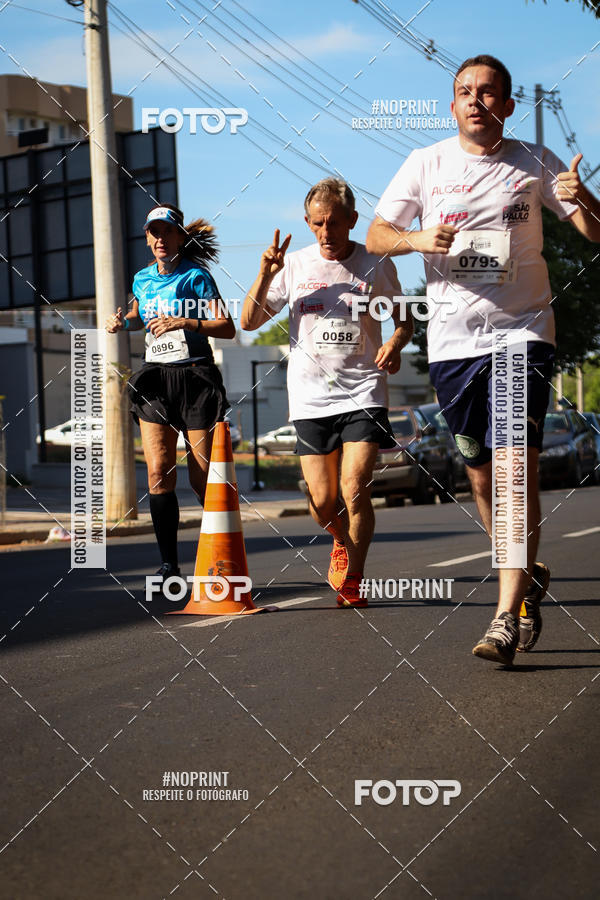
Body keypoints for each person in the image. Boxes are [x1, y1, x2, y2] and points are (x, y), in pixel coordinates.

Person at [367, 54, 600, 664]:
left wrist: (586, 197)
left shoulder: (536, 163)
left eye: (488, 91)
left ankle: (503, 616)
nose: (476, 100)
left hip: (522, 334)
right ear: (452, 105)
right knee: (480, 475)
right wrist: (415, 239)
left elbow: (594, 231)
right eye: (464, 91)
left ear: (507, 104)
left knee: (514, 468)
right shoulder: (426, 163)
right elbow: (376, 236)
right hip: (451, 345)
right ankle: (525, 579)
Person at [241, 177, 413, 607]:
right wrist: (265, 273)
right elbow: (249, 321)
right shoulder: (294, 266)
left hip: (363, 392)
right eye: (317, 224)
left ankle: (354, 578)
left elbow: (405, 317)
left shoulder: (376, 262)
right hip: (310, 398)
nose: (326, 233)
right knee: (321, 501)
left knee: (354, 489)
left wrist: (395, 343)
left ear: (352, 220)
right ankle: (339, 538)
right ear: (306, 222)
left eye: (334, 223)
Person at [105, 203, 235, 586]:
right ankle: (169, 566)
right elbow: (138, 311)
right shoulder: (142, 279)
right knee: (159, 472)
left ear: (180, 236)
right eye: (153, 232)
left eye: (167, 232)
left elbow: (226, 327)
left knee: (202, 480)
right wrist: (121, 321)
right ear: (147, 238)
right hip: (156, 381)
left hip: (195, 376)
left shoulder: (197, 278)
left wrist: (186, 321)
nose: (160, 239)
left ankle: (223, 559)